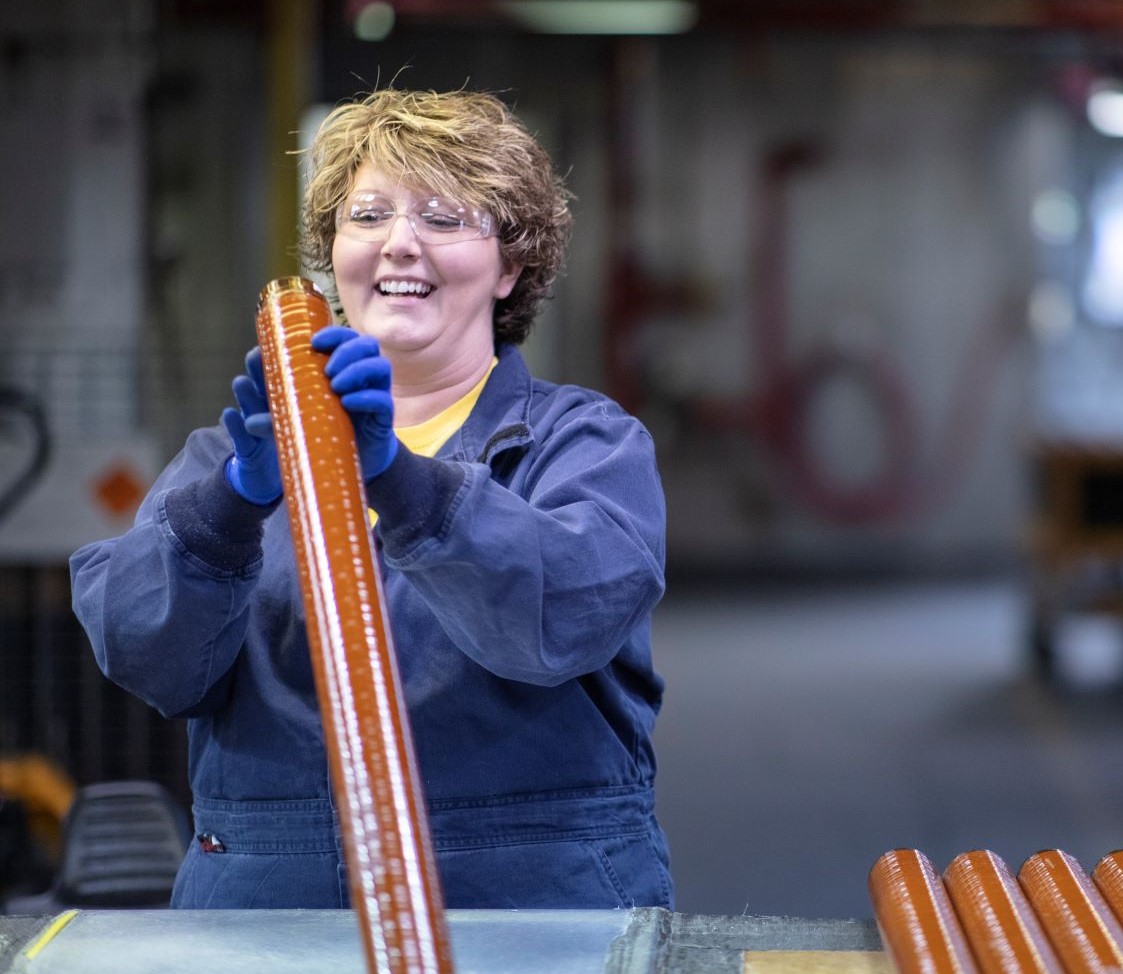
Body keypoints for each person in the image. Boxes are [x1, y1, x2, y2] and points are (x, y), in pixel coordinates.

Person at [69, 88, 672, 910]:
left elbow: (562, 618)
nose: (399, 244)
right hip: (266, 913)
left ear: (511, 266)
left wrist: (401, 478)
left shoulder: (582, 446)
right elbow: (148, 660)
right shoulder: (228, 460)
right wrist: (225, 514)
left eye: (443, 218)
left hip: (528, 907)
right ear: (332, 253)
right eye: (369, 216)